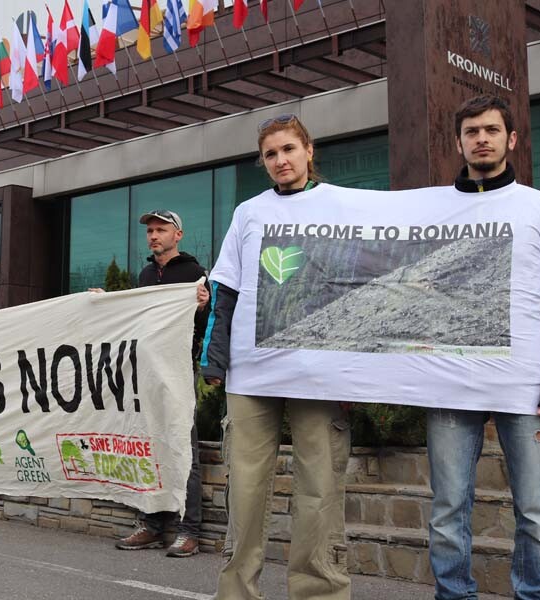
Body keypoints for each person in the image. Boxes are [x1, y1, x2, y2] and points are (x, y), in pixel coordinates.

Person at [425, 95, 540, 600]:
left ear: (511, 139)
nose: (481, 139)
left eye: (492, 130)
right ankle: (453, 595)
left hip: (525, 391)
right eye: (472, 131)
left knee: (536, 513)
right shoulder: (429, 209)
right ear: (459, 141)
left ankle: (534, 596)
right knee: (448, 509)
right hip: (450, 388)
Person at [201, 114, 352, 599]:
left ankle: (320, 593)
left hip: (319, 372)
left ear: (309, 150)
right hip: (252, 373)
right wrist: (215, 359)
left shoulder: (344, 206)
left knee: (319, 489)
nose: (281, 160)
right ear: (263, 162)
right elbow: (226, 289)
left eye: (289, 149)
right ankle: (237, 591)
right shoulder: (249, 213)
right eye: (271, 154)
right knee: (244, 492)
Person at [111, 209, 211, 558]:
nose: (154, 236)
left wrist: (203, 306)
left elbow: (205, 324)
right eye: (150, 231)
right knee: (149, 445)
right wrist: (103, 305)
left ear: (177, 235)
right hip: (147, 372)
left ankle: (189, 530)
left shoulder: (194, 273)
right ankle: (151, 524)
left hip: (180, 370)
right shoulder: (144, 274)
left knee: (185, 450)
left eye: (161, 230)